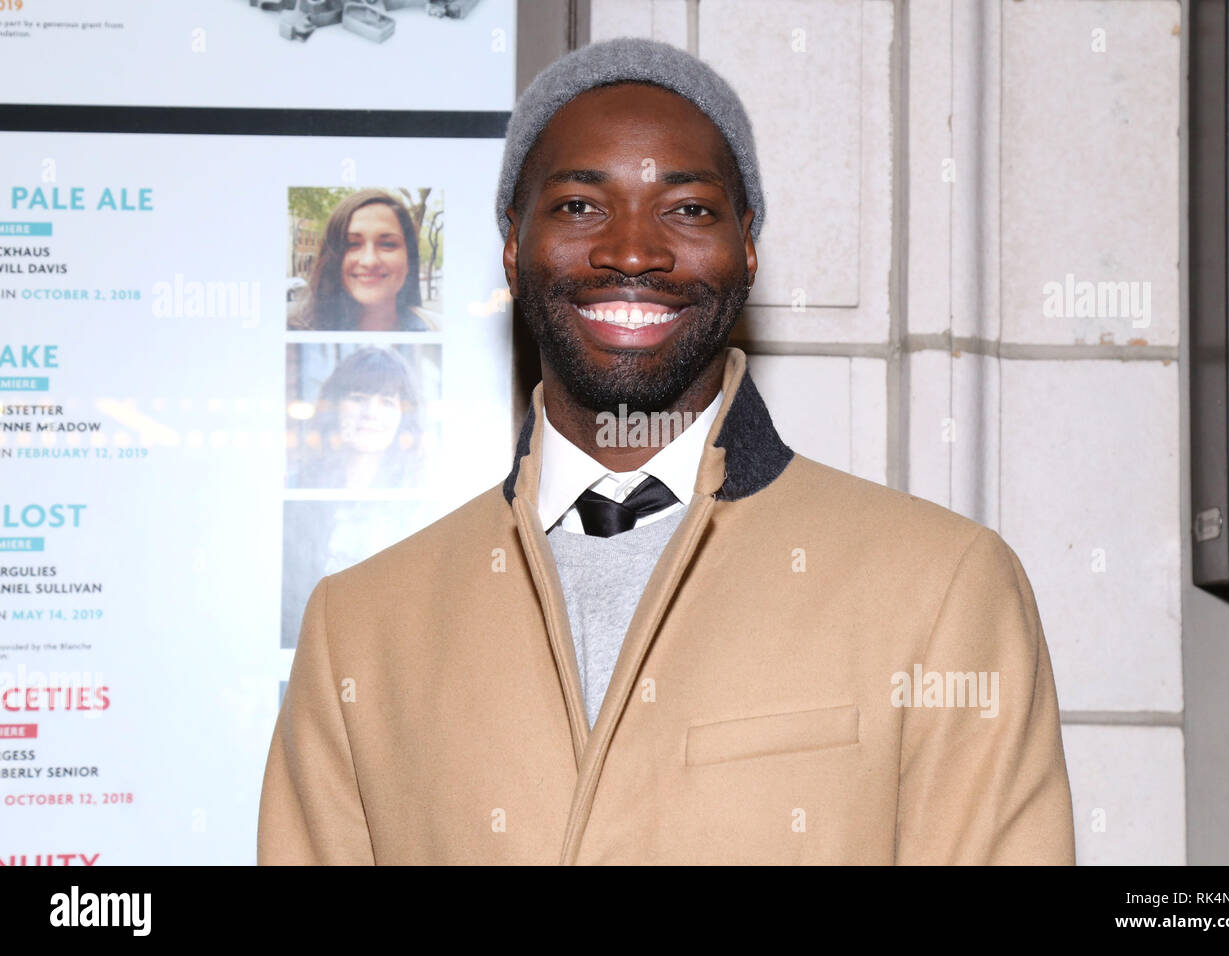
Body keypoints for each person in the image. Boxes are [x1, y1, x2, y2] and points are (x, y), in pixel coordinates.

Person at [259, 37, 1076, 865]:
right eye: (580, 205)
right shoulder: (359, 631)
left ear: (747, 245)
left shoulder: (942, 587)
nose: (633, 252)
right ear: (512, 245)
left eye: (688, 208)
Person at [290, 188, 438, 331]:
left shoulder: (441, 330)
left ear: (409, 259)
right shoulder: (289, 335)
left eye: (388, 244)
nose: (370, 261)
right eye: (352, 244)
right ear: (331, 258)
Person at [289, 346, 426, 490]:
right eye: (358, 399)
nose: (370, 413)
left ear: (404, 417)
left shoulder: (422, 490)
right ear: (335, 406)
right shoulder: (293, 487)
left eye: (387, 402)